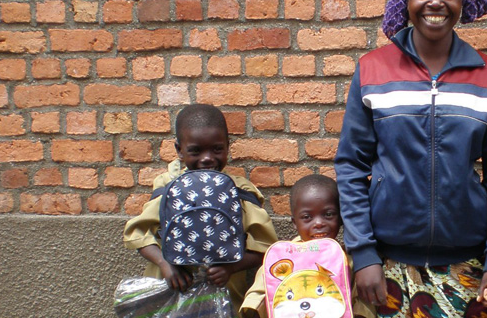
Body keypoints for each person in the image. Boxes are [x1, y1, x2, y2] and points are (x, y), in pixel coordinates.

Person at [334, 0, 487, 317]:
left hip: (466, 263)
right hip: (386, 266)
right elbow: (351, 166)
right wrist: (363, 251)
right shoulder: (373, 70)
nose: (435, 3)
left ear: (462, 1)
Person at [121, 103, 279, 313]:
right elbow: (137, 233)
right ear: (179, 150)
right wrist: (165, 264)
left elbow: (266, 246)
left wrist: (230, 268)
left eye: (217, 149)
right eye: (195, 151)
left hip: (224, 296)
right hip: (173, 293)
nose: (207, 158)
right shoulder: (168, 186)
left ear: (227, 146)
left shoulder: (239, 190)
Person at [241, 174, 376, 318]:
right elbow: (259, 293)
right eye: (307, 217)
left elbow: (363, 300)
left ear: (341, 218)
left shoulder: (346, 260)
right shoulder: (281, 259)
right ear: (294, 222)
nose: (318, 223)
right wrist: (254, 310)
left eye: (328, 214)